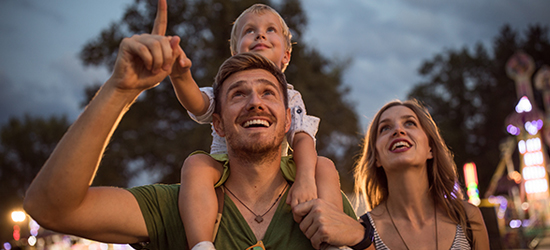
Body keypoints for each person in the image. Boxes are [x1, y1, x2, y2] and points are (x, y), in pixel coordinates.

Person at [22, 1, 357, 247]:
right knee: (196, 163)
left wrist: (358, 236)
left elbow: (306, 144)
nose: (255, 101)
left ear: (287, 118)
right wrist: (120, 90)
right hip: (209, 171)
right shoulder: (177, 207)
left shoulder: (328, 207)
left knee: (323, 166)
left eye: (268, 92)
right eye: (238, 94)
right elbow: (50, 209)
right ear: (218, 122)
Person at [163, 3, 343, 249]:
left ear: (286, 56)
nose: (260, 34)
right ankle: (202, 244)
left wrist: (304, 178)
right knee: (196, 165)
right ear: (234, 53)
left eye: (270, 30)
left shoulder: (291, 97)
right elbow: (197, 103)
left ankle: (333, 240)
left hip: (274, 169)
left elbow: (302, 137)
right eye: (250, 30)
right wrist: (180, 76)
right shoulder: (226, 89)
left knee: (324, 166)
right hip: (224, 165)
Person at [294, 99, 490, 249]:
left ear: (430, 148)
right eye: (385, 128)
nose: (398, 130)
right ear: (377, 157)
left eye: (410, 123)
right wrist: (361, 240)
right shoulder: (360, 231)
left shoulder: (467, 218)